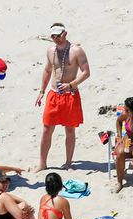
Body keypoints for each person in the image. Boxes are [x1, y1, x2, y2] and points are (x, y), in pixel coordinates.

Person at [35, 23, 91, 172]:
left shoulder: (76, 51)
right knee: (47, 128)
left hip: (70, 94)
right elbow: (47, 70)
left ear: (65, 34)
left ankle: (68, 162)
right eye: (53, 36)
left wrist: (71, 84)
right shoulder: (50, 51)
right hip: (54, 94)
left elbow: (86, 72)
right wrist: (41, 91)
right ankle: (42, 163)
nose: (56, 39)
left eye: (58, 36)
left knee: (70, 130)